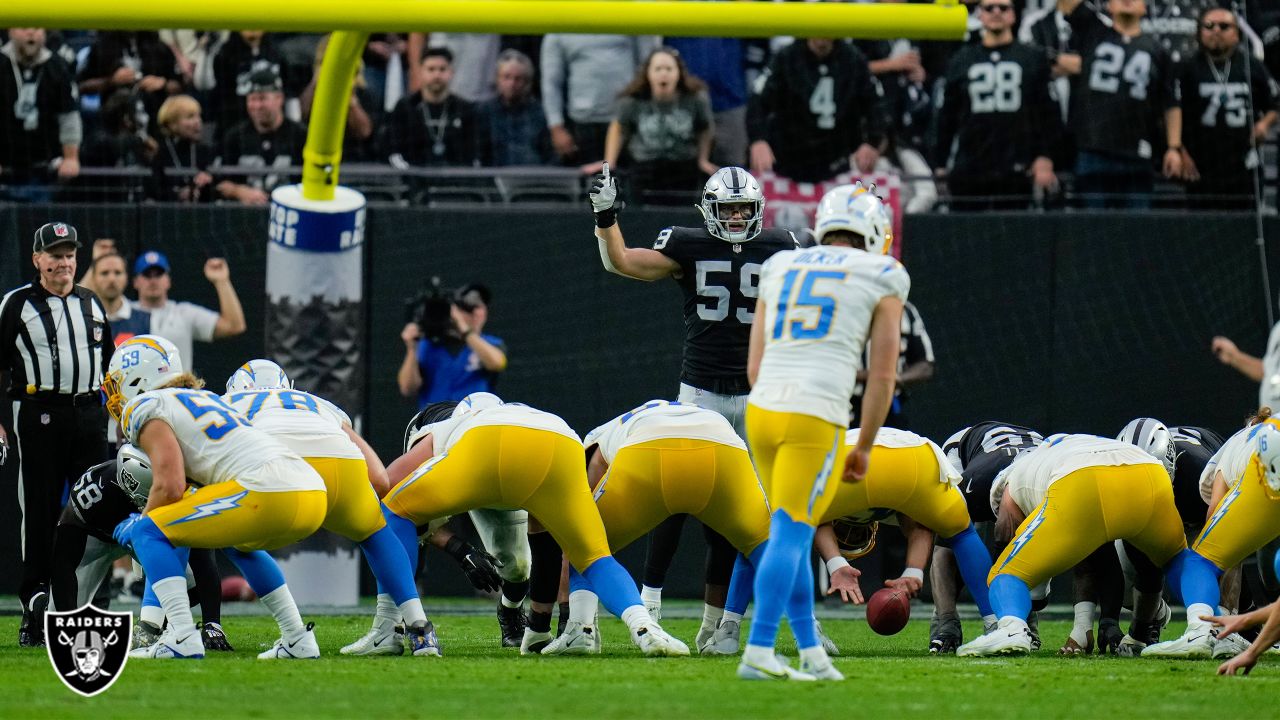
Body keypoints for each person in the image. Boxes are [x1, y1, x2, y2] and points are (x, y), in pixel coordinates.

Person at [589, 165, 796, 636]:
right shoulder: (687, 243)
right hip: (701, 393)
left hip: (758, 396)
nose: (739, 217)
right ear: (708, 210)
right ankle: (651, 597)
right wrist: (605, 219)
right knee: (673, 496)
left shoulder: (783, 246)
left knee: (744, 510)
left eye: (745, 208)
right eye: (729, 209)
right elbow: (621, 261)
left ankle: (719, 622)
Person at [738, 183, 908, 680]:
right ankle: (759, 650)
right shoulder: (883, 273)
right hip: (816, 414)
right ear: (875, 232)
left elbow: (755, 365)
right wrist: (868, 444)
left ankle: (811, 650)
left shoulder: (780, 265)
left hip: (764, 409)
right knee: (792, 532)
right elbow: (882, 375)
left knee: (792, 527)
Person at [377, 395, 690, 657]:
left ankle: (401, 628)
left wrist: (453, 546)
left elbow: (388, 486)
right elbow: (546, 547)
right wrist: (538, 631)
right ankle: (645, 627)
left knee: (395, 509)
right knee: (595, 556)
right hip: (559, 441)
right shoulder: (507, 410)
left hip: (487, 446)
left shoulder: (436, 429)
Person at [105, 335, 327, 659]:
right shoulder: (207, 399)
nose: (116, 392)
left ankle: (181, 636)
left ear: (139, 379)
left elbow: (170, 485)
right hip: (309, 490)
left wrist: (142, 528)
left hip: (264, 488)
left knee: (148, 530)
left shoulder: (145, 405)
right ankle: (297, 638)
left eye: (119, 383)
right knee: (239, 545)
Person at [223, 359, 438, 656]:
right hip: (341, 463)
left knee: (234, 540)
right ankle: (421, 630)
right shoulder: (316, 403)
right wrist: (356, 513)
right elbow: (380, 478)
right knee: (375, 532)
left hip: (279, 463)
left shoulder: (226, 403)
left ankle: (294, 635)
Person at [542, 400, 771, 656]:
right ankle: (804, 631)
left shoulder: (598, 436)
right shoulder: (690, 412)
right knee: (766, 546)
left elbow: (589, 490)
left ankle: (581, 630)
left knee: (584, 546)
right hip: (723, 448)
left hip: (649, 449)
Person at [958, 433, 1188, 657]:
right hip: (1150, 472)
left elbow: (1005, 532)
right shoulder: (1054, 454)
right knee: (1178, 560)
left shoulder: (1013, 485)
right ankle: (1206, 624)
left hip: (1082, 478)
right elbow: (1099, 559)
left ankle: (1011, 630)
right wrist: (1097, 625)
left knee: (1003, 575)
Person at [0, 222, 114, 647]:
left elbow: (111, 367)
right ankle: (34, 608)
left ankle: (89, 604)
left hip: (88, 414)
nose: (63, 261)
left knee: (98, 511)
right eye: (55, 254)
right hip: (38, 413)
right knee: (41, 512)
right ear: (37, 260)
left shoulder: (92, 303)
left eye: (69, 254)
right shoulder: (15, 305)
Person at [49, 444, 234, 652]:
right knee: (59, 616)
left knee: (188, 579)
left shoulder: (173, 483)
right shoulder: (96, 492)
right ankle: (37, 614)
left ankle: (155, 625)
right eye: (155, 489)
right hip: (95, 537)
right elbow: (64, 561)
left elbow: (201, 552)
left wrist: (212, 624)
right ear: (132, 483)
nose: (162, 494)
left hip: (141, 536)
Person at [397, 399, 534, 650]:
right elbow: (399, 509)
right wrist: (461, 551)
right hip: (451, 462)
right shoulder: (434, 440)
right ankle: (397, 621)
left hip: (495, 474)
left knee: (518, 567)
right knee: (408, 532)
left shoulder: (525, 448)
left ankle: (510, 611)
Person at [1143, 417, 1280, 658]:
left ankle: (1202, 630)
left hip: (1265, 467)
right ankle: (1221, 627)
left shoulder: (1231, 448)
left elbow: (1215, 510)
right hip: (1267, 459)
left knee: (1199, 562)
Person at [931, 0, 1062, 210]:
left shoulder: (1032, 59)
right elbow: (946, 117)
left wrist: (1045, 156)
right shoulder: (961, 60)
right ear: (979, 14)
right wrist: (939, 163)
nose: (996, 13)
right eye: (989, 8)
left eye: (1003, 8)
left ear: (1013, 15)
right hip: (970, 167)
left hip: (1017, 168)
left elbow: (1049, 115)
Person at [1110, 419, 1226, 656]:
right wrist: (1139, 632)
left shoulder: (1199, 472)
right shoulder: (1116, 485)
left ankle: (1233, 626)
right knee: (1124, 576)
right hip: (1163, 509)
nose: (1145, 487)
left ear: (1170, 466)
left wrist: (1228, 616)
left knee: (1214, 555)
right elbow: (1146, 571)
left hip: (1203, 504)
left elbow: (1229, 544)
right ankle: (1154, 620)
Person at [1057, 0, 1183, 209]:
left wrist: (1173, 147)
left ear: (1145, 7)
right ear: (1108, 6)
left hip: (1137, 154)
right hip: (1093, 148)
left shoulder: (1158, 51)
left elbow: (1170, 103)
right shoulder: (1093, 30)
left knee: (1138, 232)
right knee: (1094, 230)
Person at [931, 421, 1044, 654]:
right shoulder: (974, 483)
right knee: (952, 539)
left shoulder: (1051, 485)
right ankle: (945, 622)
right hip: (967, 453)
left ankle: (1019, 619)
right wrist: (949, 620)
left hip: (1028, 461)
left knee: (1018, 546)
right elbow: (943, 549)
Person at [747, 38, 891, 183]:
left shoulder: (853, 57)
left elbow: (875, 101)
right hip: (788, 162)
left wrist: (872, 141)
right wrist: (758, 140)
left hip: (839, 163)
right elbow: (758, 99)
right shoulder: (787, 56)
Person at [1179, 7, 1279, 209]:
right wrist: (1180, 151)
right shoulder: (1187, 68)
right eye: (1208, 26)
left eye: (1224, 26)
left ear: (1237, 34)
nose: (1216, 30)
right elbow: (1172, 112)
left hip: (1243, 165)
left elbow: (1275, 101)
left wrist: (1264, 124)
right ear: (1199, 32)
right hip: (1201, 165)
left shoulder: (1252, 66)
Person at [593, 47, 717, 201]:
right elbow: (618, 127)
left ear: (678, 73)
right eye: (658, 69)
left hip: (683, 167)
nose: (663, 73)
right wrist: (609, 162)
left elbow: (705, 128)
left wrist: (703, 159)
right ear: (648, 74)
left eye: (669, 69)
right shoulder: (632, 100)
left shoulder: (695, 99)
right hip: (644, 168)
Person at [541, 33, 656, 167]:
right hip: (584, 125)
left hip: (626, 121)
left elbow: (647, 66)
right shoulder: (560, 26)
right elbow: (551, 83)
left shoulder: (629, 15)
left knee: (627, 181)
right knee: (590, 184)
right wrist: (556, 127)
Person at [129, 250, 246, 374]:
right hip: (138, 391)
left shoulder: (184, 313)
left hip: (178, 390)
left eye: (158, 274)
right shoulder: (123, 314)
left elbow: (234, 326)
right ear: (135, 282)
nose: (153, 280)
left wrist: (222, 281)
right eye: (147, 275)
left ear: (168, 280)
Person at [0, 28, 81, 201]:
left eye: (36, 28)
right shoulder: (2, 62)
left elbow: (69, 116)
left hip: (44, 169)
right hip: (5, 167)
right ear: (11, 31)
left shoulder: (57, 65)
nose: (30, 33)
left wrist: (71, 158)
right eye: (24, 27)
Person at [398, 282, 506, 408]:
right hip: (435, 422)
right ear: (454, 311)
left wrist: (464, 330)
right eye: (469, 308)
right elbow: (407, 388)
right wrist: (412, 348)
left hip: (473, 421)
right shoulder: (427, 345)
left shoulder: (491, 343)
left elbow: (497, 363)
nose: (477, 313)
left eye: (481, 307)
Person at [215, 67, 307, 204]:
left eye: (262, 99)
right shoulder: (235, 136)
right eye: (252, 99)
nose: (257, 105)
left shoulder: (300, 135)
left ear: (279, 98)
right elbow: (219, 183)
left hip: (288, 212)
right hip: (244, 215)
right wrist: (239, 191)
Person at [384, 47, 478, 169]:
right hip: (413, 180)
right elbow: (394, 150)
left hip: (455, 183)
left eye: (442, 69)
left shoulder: (465, 109)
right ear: (421, 71)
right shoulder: (405, 107)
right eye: (431, 69)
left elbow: (473, 153)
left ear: (451, 73)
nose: (437, 75)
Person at [849, 300, 934, 429]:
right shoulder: (839, 308)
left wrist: (898, 378)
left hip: (890, 407)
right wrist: (875, 376)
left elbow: (926, 366)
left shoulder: (905, 310)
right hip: (844, 406)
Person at [476, 49, 554, 167]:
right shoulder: (483, 112)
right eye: (506, 77)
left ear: (527, 82)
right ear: (497, 79)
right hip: (492, 180)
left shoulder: (541, 113)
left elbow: (550, 156)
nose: (512, 84)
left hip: (533, 179)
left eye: (518, 79)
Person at [151, 94, 217, 202]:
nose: (198, 122)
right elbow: (155, 191)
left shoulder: (205, 151)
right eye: (190, 117)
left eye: (198, 116)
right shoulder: (159, 153)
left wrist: (209, 180)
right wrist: (178, 195)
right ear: (172, 124)